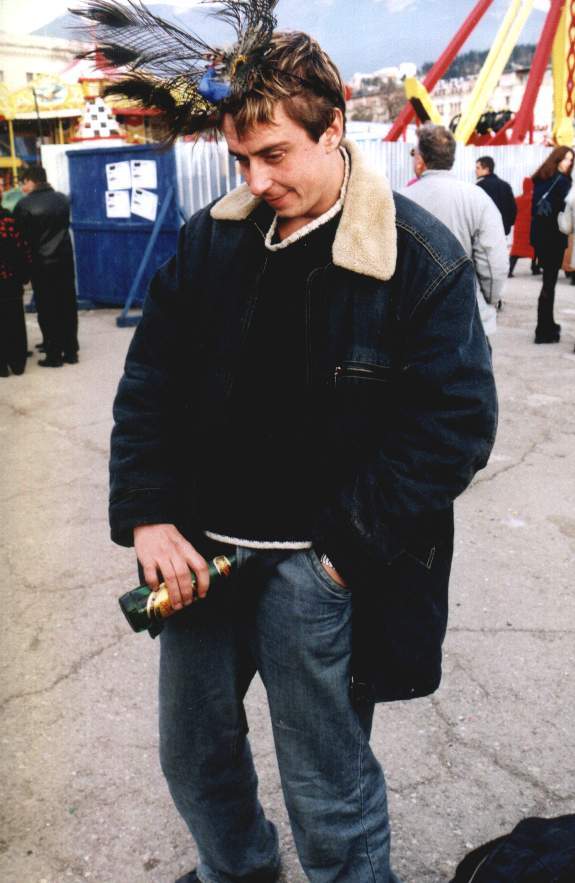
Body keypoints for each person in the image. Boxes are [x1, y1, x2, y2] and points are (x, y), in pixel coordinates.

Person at [85, 3, 498, 880]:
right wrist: (149, 513)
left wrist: (340, 558)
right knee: (193, 756)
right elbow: (150, 382)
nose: (256, 177)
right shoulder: (212, 239)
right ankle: (239, 868)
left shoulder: (417, 257)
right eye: (241, 158)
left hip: (318, 568)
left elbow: (454, 424)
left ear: (332, 129)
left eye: (274, 154)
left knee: (327, 786)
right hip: (200, 554)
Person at [402, 124, 508, 341]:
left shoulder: (401, 199)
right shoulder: (478, 199)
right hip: (468, 318)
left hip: (412, 317)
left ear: (421, 159)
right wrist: (490, 298)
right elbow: (493, 262)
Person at [14, 166, 79, 367]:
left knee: (47, 308)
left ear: (32, 181)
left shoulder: (24, 205)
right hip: (65, 261)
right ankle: (71, 351)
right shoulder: (62, 199)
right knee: (67, 305)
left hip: (41, 264)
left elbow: (20, 237)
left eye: (24, 182)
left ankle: (53, 354)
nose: (23, 187)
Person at [530, 146, 574, 344]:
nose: (568, 163)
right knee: (549, 283)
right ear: (557, 159)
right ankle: (543, 329)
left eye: (571, 160)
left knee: (548, 282)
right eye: (565, 159)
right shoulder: (563, 182)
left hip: (540, 236)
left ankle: (547, 323)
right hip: (554, 237)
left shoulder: (541, 178)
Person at [0, 206, 31, 377]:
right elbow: (23, 248)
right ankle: (18, 363)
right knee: (15, 320)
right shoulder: (10, 221)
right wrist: (24, 275)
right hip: (11, 280)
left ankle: (2, 366)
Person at [475, 155, 517, 235]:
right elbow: (513, 210)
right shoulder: (506, 185)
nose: (475, 171)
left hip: (486, 232)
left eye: (478, 168)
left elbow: (476, 210)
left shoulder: (480, 186)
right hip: (503, 232)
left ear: (487, 169)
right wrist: (506, 224)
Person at [509, 177, 539, 278]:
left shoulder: (517, 200)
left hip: (519, 229)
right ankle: (534, 268)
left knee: (516, 251)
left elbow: (512, 213)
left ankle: (510, 270)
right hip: (532, 228)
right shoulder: (535, 199)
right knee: (534, 249)